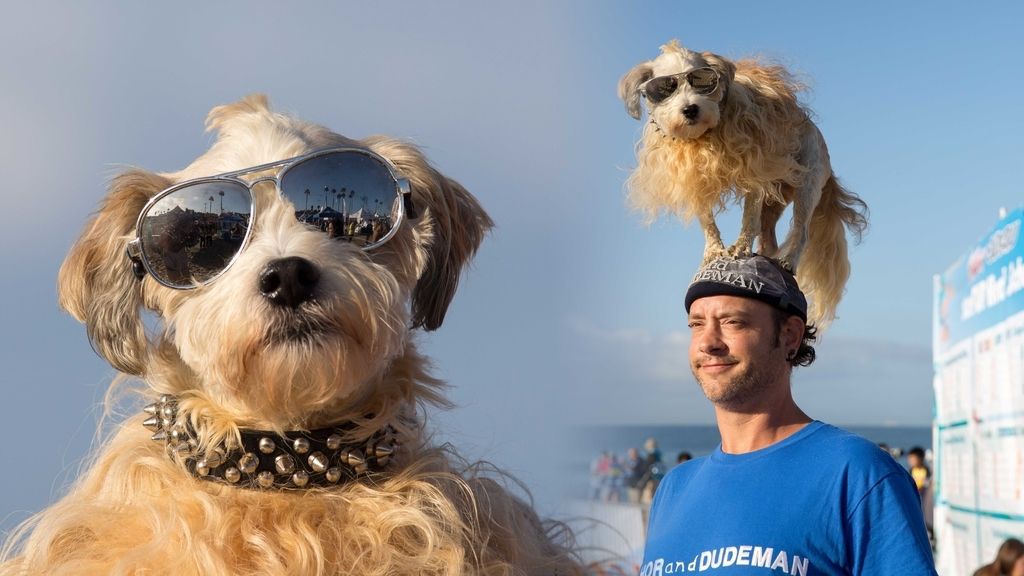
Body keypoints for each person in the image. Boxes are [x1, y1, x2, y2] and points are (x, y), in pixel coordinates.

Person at [641, 255, 936, 575]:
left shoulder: (857, 474)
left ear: (790, 337)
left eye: (732, 322)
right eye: (696, 324)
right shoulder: (673, 489)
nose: (709, 342)